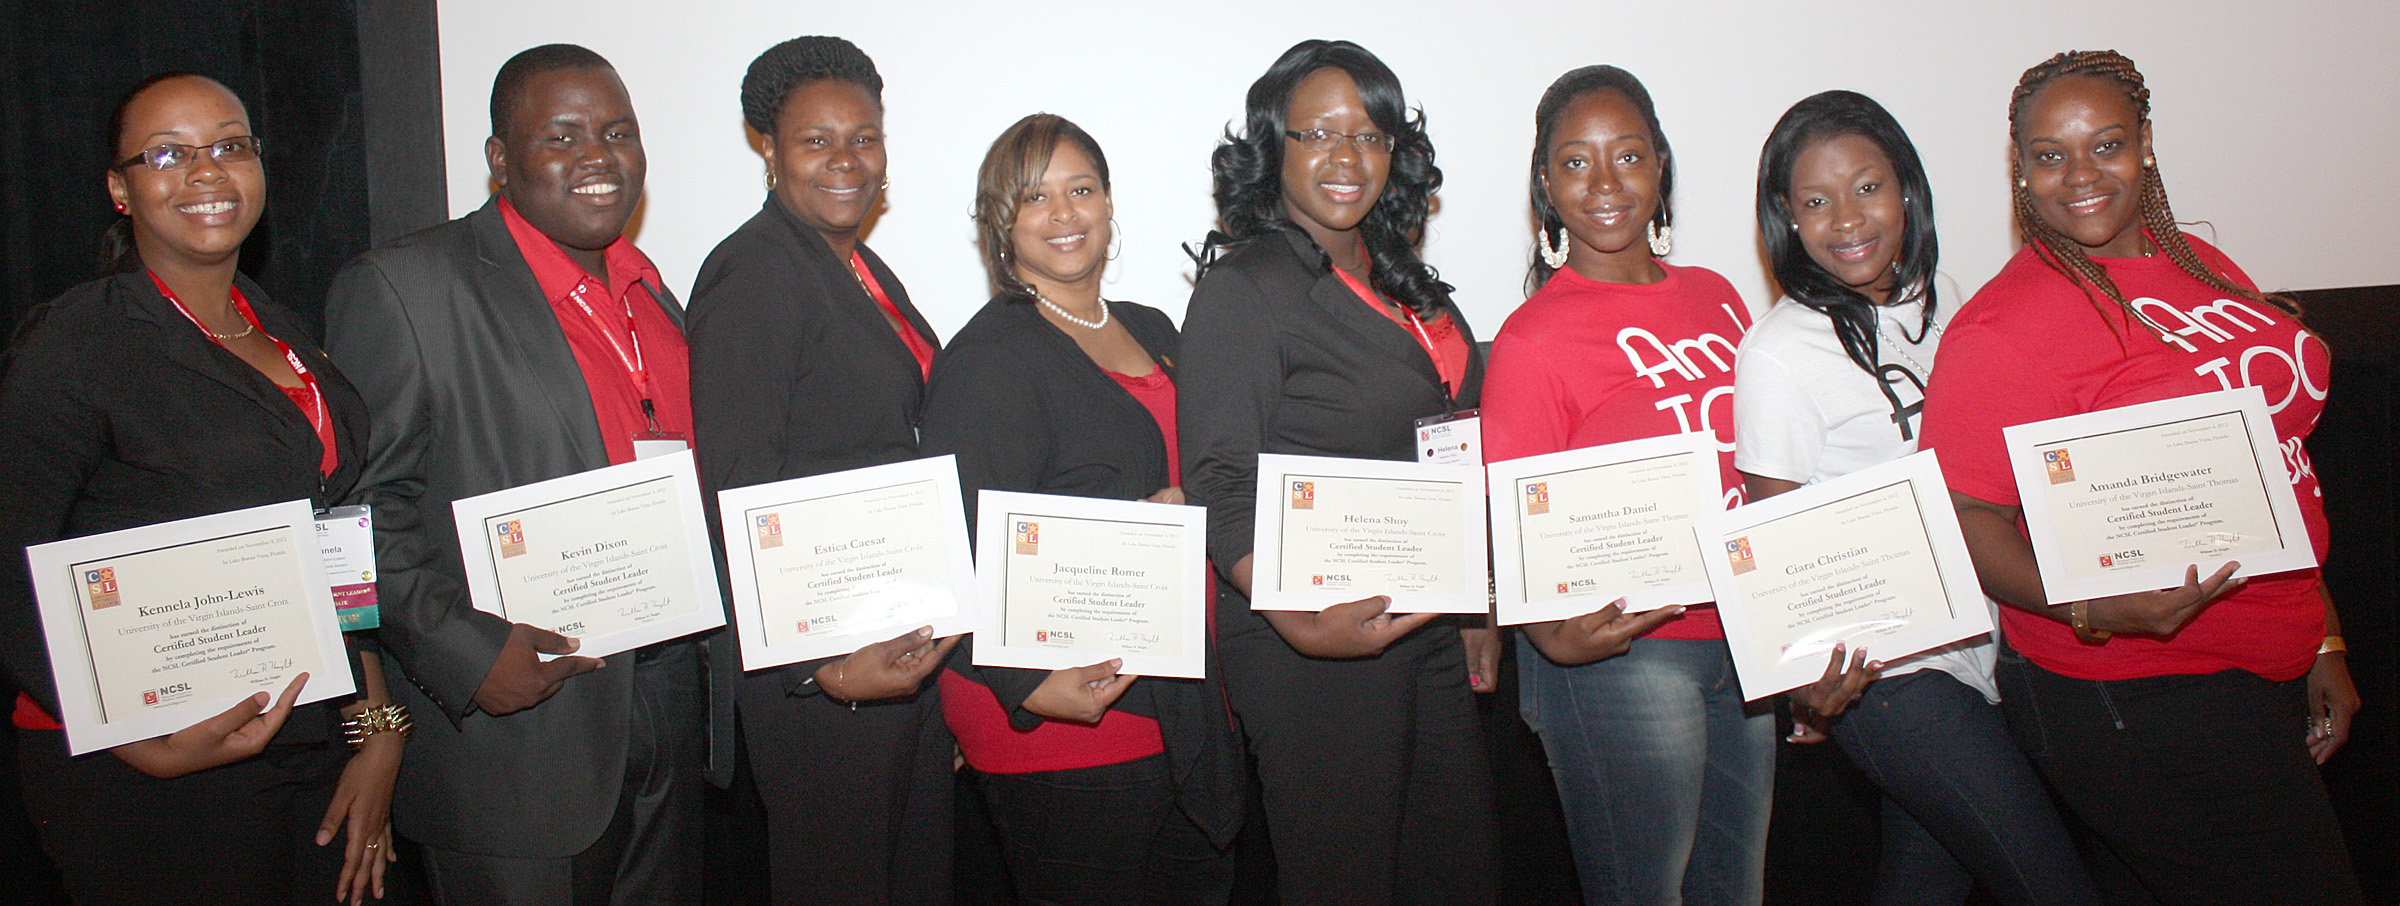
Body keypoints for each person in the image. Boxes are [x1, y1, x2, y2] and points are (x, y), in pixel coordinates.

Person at [1919, 49, 2361, 905]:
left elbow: (2276, 472)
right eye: (2049, 155)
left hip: (2257, 665)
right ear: (2021, 168)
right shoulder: (2002, 329)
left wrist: (2322, 637)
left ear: (2147, 145)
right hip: (2138, 691)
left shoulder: (2199, 263)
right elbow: (1963, 515)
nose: (2078, 175)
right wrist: (2093, 606)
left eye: (2106, 144)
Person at [325, 44, 721, 904]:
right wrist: (465, 656)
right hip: (518, 744)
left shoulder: (653, 296)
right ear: (501, 159)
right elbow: (352, 521)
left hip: (666, 705)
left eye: (617, 132)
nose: (596, 157)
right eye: (562, 136)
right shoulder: (408, 287)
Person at [0, 72, 401, 906]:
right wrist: (130, 736)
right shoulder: (76, 342)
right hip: (150, 768)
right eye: (167, 155)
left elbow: (329, 543)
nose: (207, 172)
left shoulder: (280, 328)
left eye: (229, 146)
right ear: (120, 188)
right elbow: (9, 561)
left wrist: (377, 728)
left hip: (306, 735)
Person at [1735, 89, 2099, 906]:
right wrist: (1804, 681)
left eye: (1868, 188)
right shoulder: (1779, 353)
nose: (1848, 220)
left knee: (1922, 885)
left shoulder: (1957, 304)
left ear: (1907, 189)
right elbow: (1775, 536)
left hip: (1994, 644)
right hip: (1891, 674)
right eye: (1816, 202)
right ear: (1787, 218)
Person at [1179, 38, 1494, 906]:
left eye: (1369, 134)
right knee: (1346, 879)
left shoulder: (1411, 284)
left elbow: (1452, 442)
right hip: (1310, 634)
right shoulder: (1244, 289)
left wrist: (1473, 604)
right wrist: (1293, 614)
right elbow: (1217, 476)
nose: (1346, 157)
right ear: (1272, 149)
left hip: (1427, 620)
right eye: (1316, 135)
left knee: (1454, 871)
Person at [918, 113, 1242, 906]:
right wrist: (1026, 680)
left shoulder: (1157, 329)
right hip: (1067, 711)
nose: (1064, 215)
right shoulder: (986, 360)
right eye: (1035, 198)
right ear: (1002, 222)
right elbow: (952, 541)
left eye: (1081, 190)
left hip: (1183, 699)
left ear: (1108, 203)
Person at [1479, 64, 1770, 906]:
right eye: (1575, 162)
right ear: (1545, 184)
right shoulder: (1533, 339)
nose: (1605, 184)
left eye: (1629, 156)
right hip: (1623, 657)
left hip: (1739, 644)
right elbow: (1513, 512)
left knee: (1735, 893)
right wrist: (1550, 636)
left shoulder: (1718, 299)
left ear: (1662, 167)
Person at [683, 36, 954, 906]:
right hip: (824, 673)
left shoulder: (859, 267)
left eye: (864, 137)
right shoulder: (755, 273)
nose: (846, 161)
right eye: (815, 141)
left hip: (889, 646)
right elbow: (734, 495)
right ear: (767, 146)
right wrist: (817, 670)